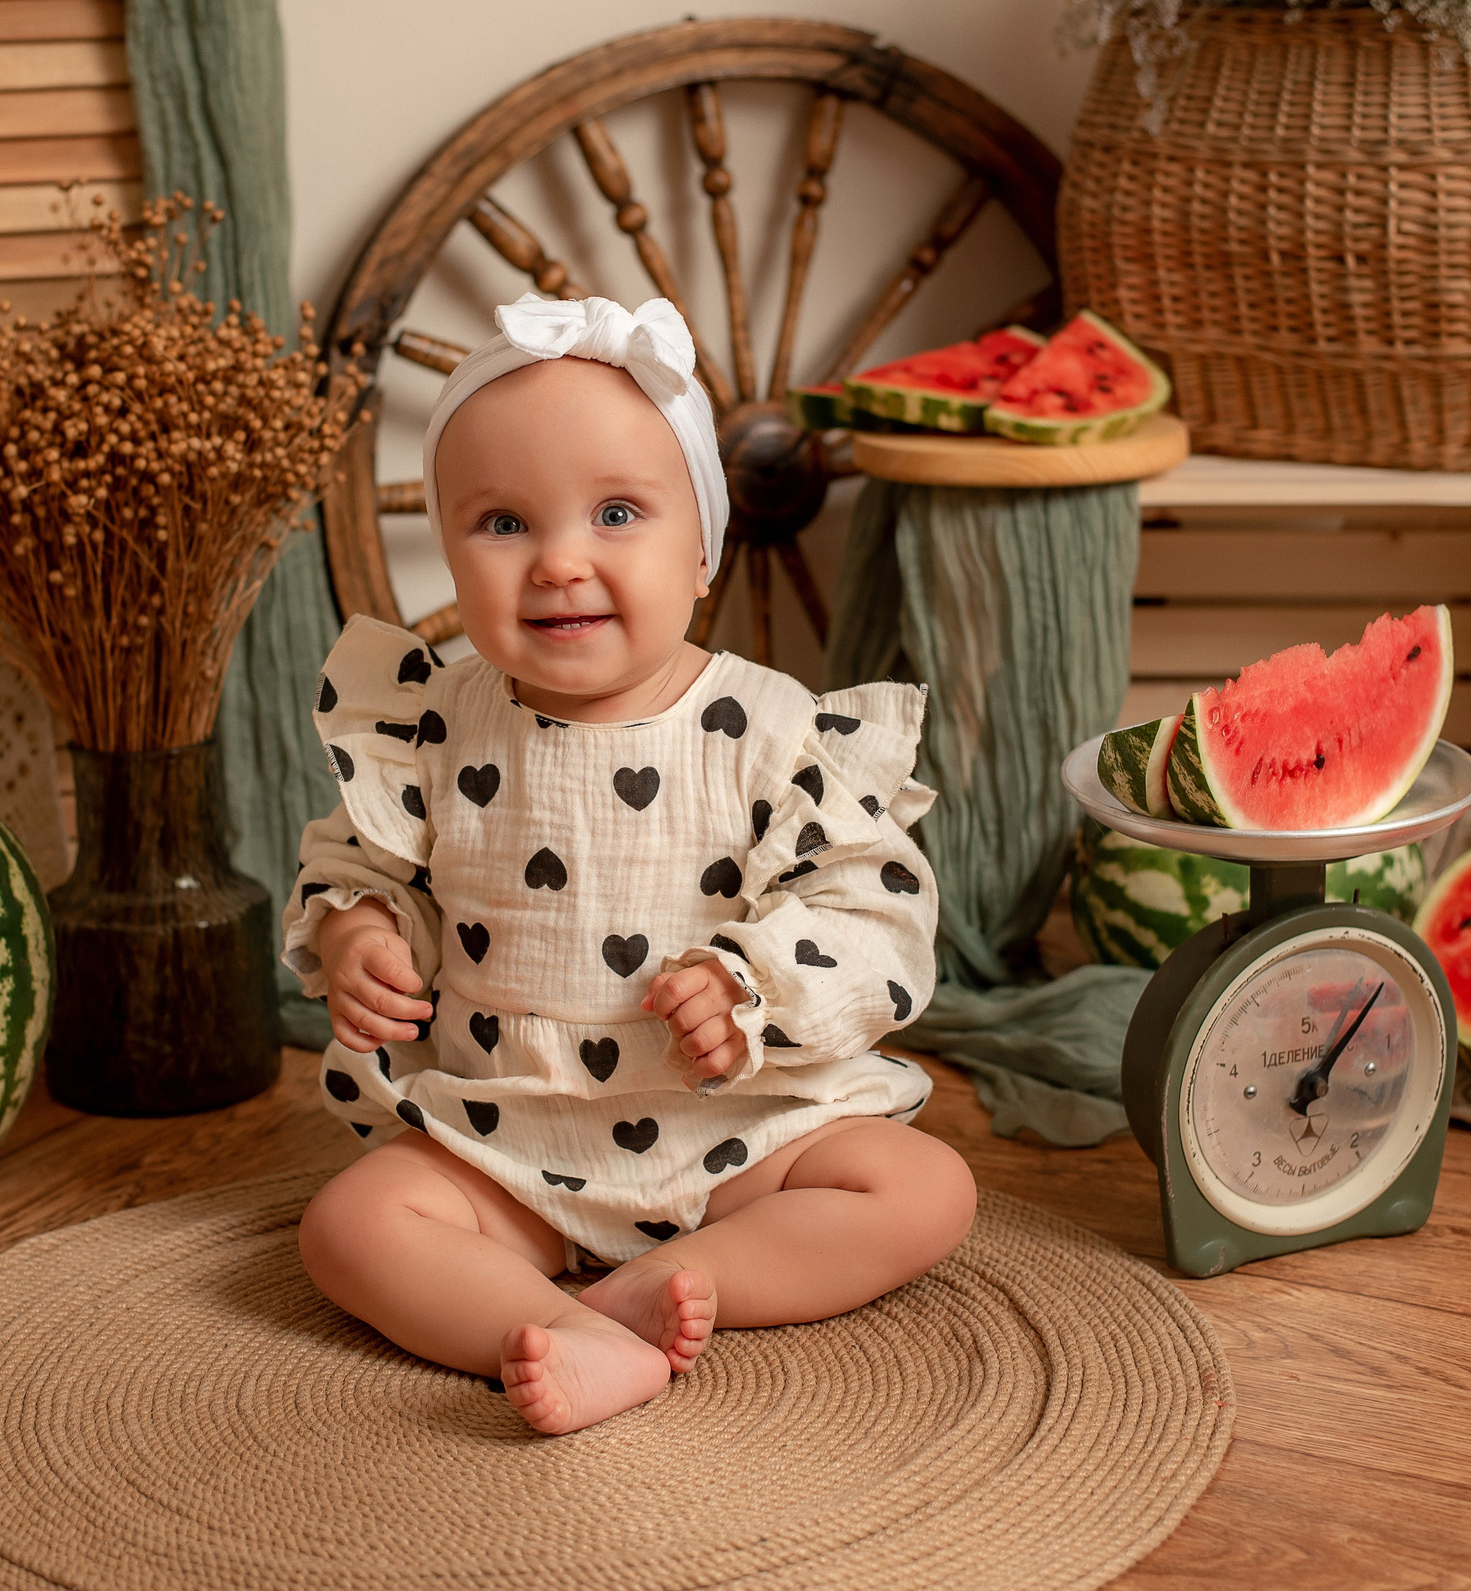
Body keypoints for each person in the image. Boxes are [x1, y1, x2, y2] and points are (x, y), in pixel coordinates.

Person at [286, 294, 977, 1434]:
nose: (559, 561)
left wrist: (753, 985)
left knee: (922, 1189)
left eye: (615, 513)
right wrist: (359, 930)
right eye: (502, 523)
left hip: (742, 1135)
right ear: (449, 548)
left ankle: (667, 1281)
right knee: (349, 1226)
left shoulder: (775, 732)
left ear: (701, 549)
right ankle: (563, 1329)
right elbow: (366, 860)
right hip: (506, 1138)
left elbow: (872, 908)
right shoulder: (434, 723)